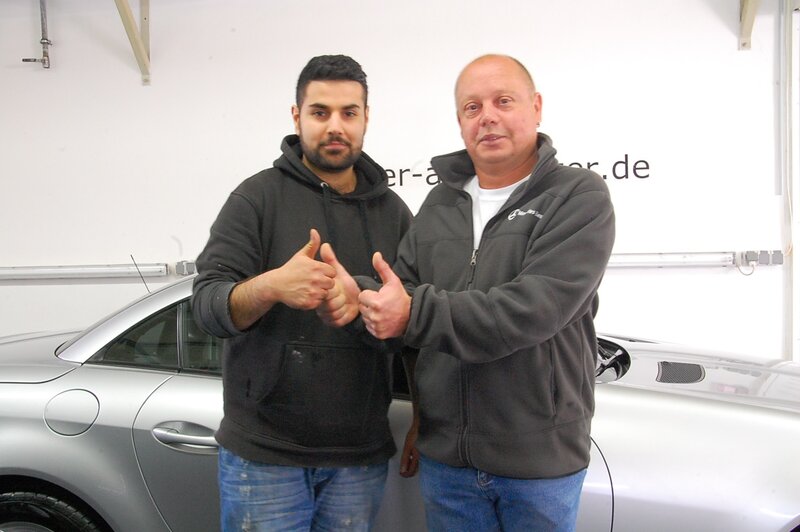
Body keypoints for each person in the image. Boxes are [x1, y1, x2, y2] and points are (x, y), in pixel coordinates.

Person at [323, 54, 615, 531]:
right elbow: (403, 295)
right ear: (460, 122)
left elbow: (533, 309)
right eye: (472, 107)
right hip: (448, 464)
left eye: (504, 101)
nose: (488, 117)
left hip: (538, 465)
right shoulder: (440, 204)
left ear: (536, 107)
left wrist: (410, 312)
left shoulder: (577, 195)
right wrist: (358, 298)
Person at [191, 54, 412, 531]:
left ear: (366, 118)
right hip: (265, 457)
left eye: (349, 113)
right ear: (297, 117)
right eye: (319, 112)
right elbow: (205, 306)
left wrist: (365, 308)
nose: (335, 126)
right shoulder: (256, 199)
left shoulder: (395, 214)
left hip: (358, 459)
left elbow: (414, 329)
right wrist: (269, 286)